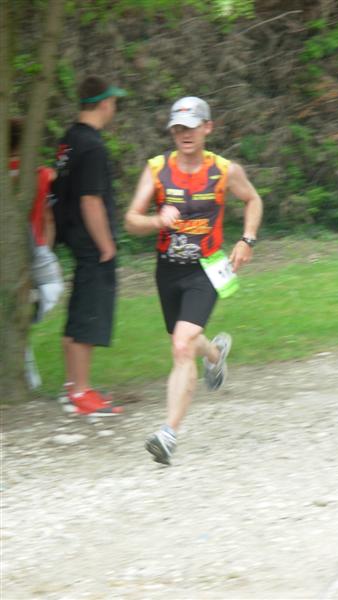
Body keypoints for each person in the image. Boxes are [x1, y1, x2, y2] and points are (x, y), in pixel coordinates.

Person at [125, 96, 263, 464]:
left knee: (181, 345)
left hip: (206, 269)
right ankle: (214, 354)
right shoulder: (157, 169)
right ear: (172, 132)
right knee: (185, 340)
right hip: (168, 269)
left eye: (191, 127)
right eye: (178, 128)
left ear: (207, 128)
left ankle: (168, 434)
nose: (184, 134)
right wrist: (156, 220)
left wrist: (247, 239)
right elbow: (131, 220)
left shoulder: (224, 170)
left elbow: (253, 200)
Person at [52, 75, 127, 416]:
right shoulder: (93, 147)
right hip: (91, 242)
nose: (114, 108)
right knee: (89, 314)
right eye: (113, 102)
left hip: (72, 237)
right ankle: (82, 393)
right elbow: (90, 201)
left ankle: (73, 387)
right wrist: (105, 244)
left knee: (78, 310)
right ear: (104, 103)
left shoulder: (69, 139)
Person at [9, 117, 64, 389]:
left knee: (11, 318)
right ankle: (31, 306)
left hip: (8, 251)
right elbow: (48, 217)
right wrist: (46, 248)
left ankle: (29, 379)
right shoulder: (40, 174)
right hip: (34, 246)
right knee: (53, 287)